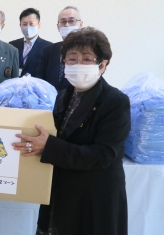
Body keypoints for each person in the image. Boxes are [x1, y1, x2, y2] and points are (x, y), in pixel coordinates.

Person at [13, 27, 131, 235]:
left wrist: (48, 146)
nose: (78, 65)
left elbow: (102, 155)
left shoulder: (115, 101)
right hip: (61, 191)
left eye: (86, 59)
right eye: (72, 59)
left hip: (94, 197)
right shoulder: (63, 94)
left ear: (102, 65)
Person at [34, 6, 84, 91]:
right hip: (50, 101)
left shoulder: (88, 52)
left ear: (81, 25)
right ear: (58, 27)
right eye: (63, 22)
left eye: (72, 21)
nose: (67, 25)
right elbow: (40, 80)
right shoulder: (48, 50)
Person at [9, 8, 52, 77]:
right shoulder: (12, 45)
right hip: (14, 85)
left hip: (36, 86)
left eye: (31, 24)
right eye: (24, 24)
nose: (28, 27)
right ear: (20, 25)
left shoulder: (48, 47)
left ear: (39, 25)